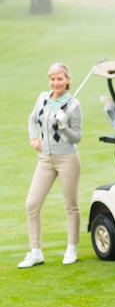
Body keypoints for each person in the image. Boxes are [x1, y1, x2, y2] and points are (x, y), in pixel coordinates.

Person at [18, 62, 82, 269]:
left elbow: (77, 137)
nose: (56, 83)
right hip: (45, 159)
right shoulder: (42, 98)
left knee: (70, 205)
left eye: (60, 79)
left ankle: (71, 248)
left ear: (68, 80)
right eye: (53, 79)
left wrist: (63, 126)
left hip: (67, 159)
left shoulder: (73, 105)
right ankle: (35, 252)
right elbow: (32, 119)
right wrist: (33, 139)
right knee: (32, 204)